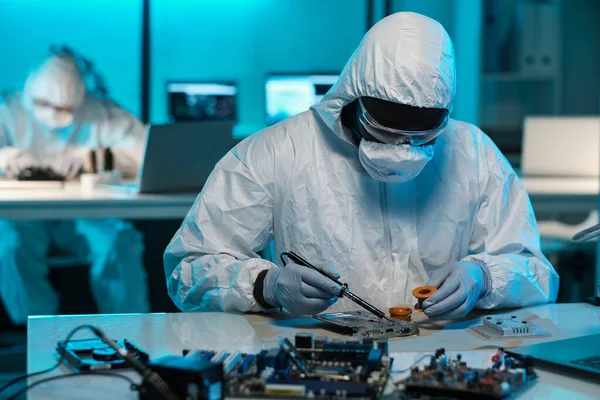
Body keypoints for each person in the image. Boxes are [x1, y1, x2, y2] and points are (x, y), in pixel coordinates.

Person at [164, 12, 559, 320]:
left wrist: (484, 278)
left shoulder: (474, 152)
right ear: (353, 97)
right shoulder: (273, 152)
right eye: (386, 133)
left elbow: (537, 273)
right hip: (321, 355)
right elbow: (188, 269)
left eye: (422, 140)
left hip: (444, 355)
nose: (403, 151)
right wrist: (265, 285)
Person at [0, 50, 149, 324]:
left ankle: (130, 331)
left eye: (64, 109)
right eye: (43, 103)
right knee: (9, 248)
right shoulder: (9, 109)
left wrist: (93, 157)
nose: (52, 114)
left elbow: (144, 151)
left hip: (86, 213)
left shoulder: (101, 113)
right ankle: (36, 329)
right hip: (23, 217)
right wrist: (8, 157)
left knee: (118, 242)